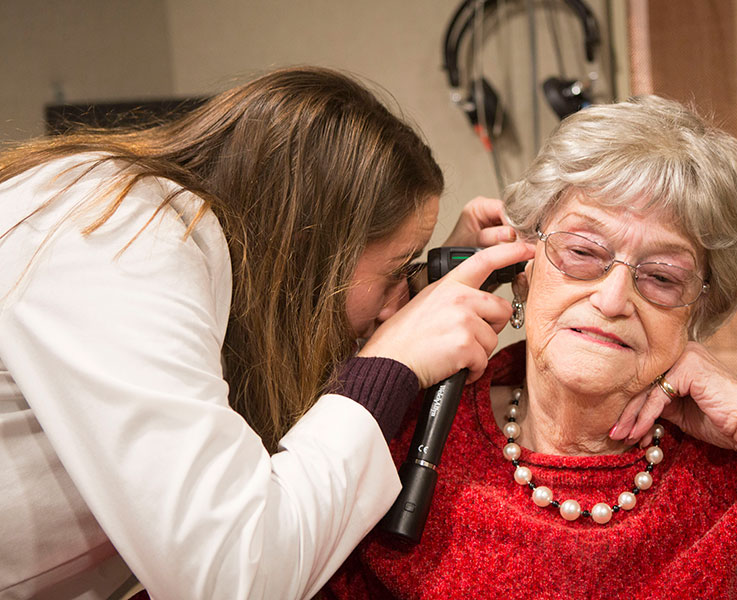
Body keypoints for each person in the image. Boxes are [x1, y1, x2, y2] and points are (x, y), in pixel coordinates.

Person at [325, 96, 737, 599]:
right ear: (522, 262)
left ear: (698, 310)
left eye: (662, 276)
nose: (616, 298)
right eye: (584, 251)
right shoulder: (417, 439)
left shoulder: (733, 467)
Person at [0, 67, 532, 599]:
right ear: (314, 249)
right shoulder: (121, 237)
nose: (397, 299)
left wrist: (412, 292)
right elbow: (233, 578)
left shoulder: (189, 254)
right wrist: (387, 369)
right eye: (397, 269)